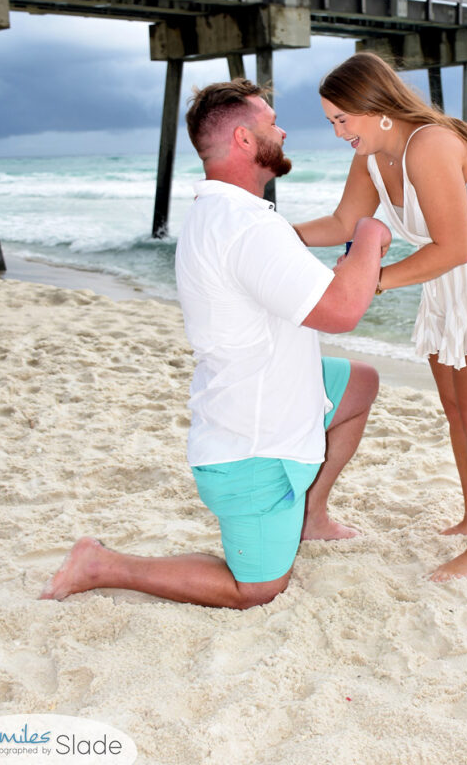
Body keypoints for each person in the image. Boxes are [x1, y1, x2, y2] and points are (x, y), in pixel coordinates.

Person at [40, 78, 390, 609]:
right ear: (246, 141)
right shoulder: (247, 226)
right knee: (256, 589)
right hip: (252, 447)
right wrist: (369, 237)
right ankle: (101, 564)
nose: (284, 130)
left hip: (261, 400)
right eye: (272, 122)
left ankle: (310, 516)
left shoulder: (220, 213)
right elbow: (341, 312)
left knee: (359, 384)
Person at [294, 52, 467, 582]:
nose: (337, 132)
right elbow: (343, 221)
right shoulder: (372, 153)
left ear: (376, 108)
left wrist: (373, 279)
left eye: (342, 119)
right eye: (331, 121)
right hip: (446, 284)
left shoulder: (431, 144)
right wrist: (269, 231)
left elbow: (456, 246)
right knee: (455, 410)